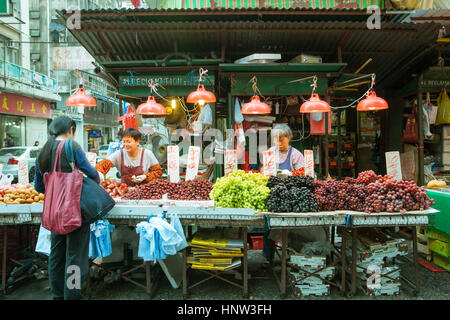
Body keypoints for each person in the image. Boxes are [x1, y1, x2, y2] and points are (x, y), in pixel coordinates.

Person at [34, 116, 100, 300]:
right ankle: (72, 295)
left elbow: (39, 187)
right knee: (75, 257)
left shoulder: (43, 150)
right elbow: (93, 174)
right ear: (71, 129)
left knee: (56, 255)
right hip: (73, 211)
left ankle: (57, 295)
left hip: (53, 212)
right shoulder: (72, 147)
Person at [262, 124, 306, 263]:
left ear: (289, 138)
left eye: (282, 139)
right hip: (274, 196)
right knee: (268, 226)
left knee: (291, 228)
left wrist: (290, 175)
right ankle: (268, 256)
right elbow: (264, 172)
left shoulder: (296, 154)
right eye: (276, 140)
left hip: (291, 197)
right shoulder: (270, 152)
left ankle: (292, 256)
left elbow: (303, 176)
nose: (279, 143)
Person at [95, 128, 162, 186]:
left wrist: (145, 176)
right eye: (124, 141)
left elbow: (158, 172)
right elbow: (104, 164)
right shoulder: (119, 154)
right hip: (124, 191)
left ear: (137, 142)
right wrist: (99, 172)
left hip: (143, 192)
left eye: (129, 142)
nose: (125, 144)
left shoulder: (147, 154)